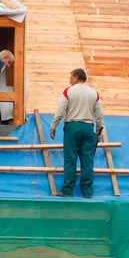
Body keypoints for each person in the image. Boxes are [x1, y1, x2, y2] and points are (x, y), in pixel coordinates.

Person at [50, 68, 103, 198]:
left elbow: (60, 111)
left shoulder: (68, 92)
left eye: (70, 77)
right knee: (87, 160)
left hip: (72, 127)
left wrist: (53, 126)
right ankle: (87, 191)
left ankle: (68, 190)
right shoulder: (94, 94)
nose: (69, 80)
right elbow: (99, 115)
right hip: (88, 128)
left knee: (70, 159)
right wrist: (98, 131)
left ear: (76, 77)